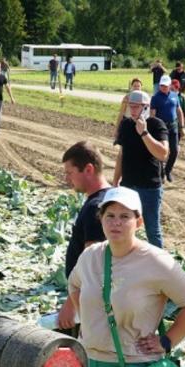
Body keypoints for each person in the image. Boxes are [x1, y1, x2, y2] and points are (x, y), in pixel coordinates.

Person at [68, 187, 185, 367]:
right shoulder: (91, 256)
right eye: (110, 215)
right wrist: (90, 324)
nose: (116, 223)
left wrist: (167, 341)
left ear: (138, 221)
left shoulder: (155, 261)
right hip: (91, 365)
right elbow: (75, 286)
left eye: (125, 216)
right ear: (101, 219)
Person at [57, 141, 110, 331]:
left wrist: (71, 304)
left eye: (70, 173)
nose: (67, 179)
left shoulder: (96, 208)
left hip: (89, 303)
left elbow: (93, 263)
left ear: (88, 169)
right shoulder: (111, 198)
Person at [113, 90, 169, 248]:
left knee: (152, 229)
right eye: (131, 106)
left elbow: (163, 154)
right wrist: (116, 179)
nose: (133, 110)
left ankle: (159, 264)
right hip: (128, 185)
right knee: (124, 226)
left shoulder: (156, 125)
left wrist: (144, 133)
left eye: (137, 107)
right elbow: (121, 154)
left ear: (146, 107)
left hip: (150, 187)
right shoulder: (125, 124)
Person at [150, 75, 185, 183]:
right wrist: (153, 127)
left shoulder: (175, 96)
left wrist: (182, 126)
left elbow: (179, 111)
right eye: (161, 85)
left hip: (173, 126)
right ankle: (160, 173)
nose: (163, 87)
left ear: (170, 85)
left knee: (174, 150)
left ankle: (168, 170)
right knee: (161, 151)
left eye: (165, 86)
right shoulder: (155, 98)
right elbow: (152, 114)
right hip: (161, 127)